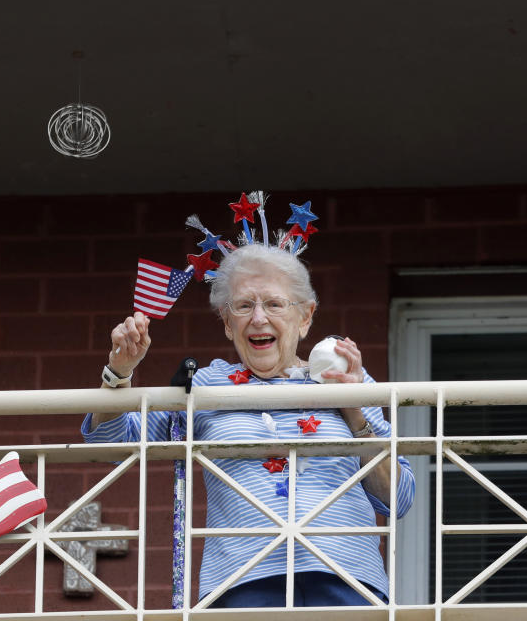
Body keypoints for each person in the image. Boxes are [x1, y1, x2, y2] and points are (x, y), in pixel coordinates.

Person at [82, 243, 415, 607]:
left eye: (274, 304)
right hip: (243, 581)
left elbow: (397, 499)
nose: (258, 318)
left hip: (348, 578)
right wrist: (120, 372)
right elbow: (112, 445)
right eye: (243, 306)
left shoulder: (349, 378)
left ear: (305, 317)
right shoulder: (207, 384)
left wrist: (355, 413)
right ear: (227, 323)